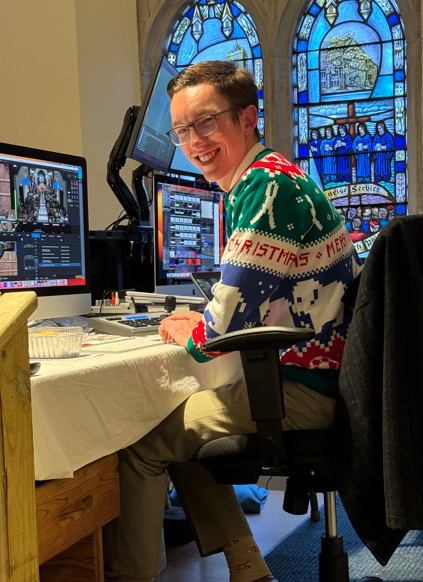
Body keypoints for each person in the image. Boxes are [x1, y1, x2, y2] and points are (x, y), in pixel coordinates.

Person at [106, 60, 362, 582]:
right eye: (182, 130)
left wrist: (191, 329)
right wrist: (207, 320)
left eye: (206, 122)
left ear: (247, 118)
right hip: (326, 381)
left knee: (143, 442)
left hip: (307, 392)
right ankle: (249, 569)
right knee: (177, 425)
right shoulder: (278, 178)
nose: (193, 142)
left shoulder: (266, 190)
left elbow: (222, 329)